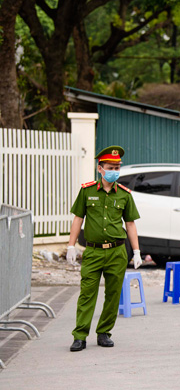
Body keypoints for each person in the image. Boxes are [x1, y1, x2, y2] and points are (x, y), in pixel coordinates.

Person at [66, 145, 142, 352]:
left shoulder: (125, 194)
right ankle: (80, 335)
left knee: (113, 294)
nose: (115, 171)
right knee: (87, 294)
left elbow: (130, 224)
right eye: (111, 167)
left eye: (117, 167)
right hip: (93, 251)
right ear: (100, 168)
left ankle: (104, 332)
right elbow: (78, 219)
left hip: (117, 251)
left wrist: (136, 251)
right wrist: (71, 246)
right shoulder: (87, 191)